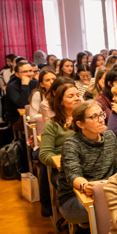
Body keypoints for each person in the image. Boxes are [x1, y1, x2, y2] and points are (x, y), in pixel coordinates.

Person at [60, 101, 117, 225]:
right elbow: (73, 175)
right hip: (75, 196)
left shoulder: (110, 137)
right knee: (114, 208)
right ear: (80, 124)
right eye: (94, 117)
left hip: (108, 191)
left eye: (102, 114)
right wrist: (85, 185)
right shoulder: (72, 144)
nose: (101, 120)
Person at [37, 83, 80, 217]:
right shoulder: (53, 124)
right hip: (62, 169)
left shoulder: (87, 119)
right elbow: (44, 154)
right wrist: (65, 162)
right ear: (61, 101)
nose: (77, 98)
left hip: (87, 164)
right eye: (71, 96)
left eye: (78, 95)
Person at [5, 62, 38, 130]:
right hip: (18, 116)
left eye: (30, 71)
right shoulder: (11, 86)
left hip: (34, 112)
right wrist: (25, 85)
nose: (29, 74)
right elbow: (23, 105)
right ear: (17, 74)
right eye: (25, 72)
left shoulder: (35, 83)